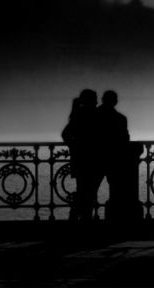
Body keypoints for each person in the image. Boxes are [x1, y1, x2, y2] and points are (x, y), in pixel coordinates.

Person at [97, 90, 143, 222]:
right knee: (117, 190)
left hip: (96, 158)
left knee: (88, 192)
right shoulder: (120, 118)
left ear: (103, 99)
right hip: (115, 159)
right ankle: (119, 221)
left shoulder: (95, 116)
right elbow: (125, 139)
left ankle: (82, 223)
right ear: (115, 101)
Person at [61, 89, 99, 221]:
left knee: (83, 189)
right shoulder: (92, 115)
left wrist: (74, 145)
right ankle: (84, 216)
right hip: (92, 160)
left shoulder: (78, 115)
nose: (97, 102)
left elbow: (65, 134)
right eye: (95, 99)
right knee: (88, 191)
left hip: (80, 159)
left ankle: (78, 215)